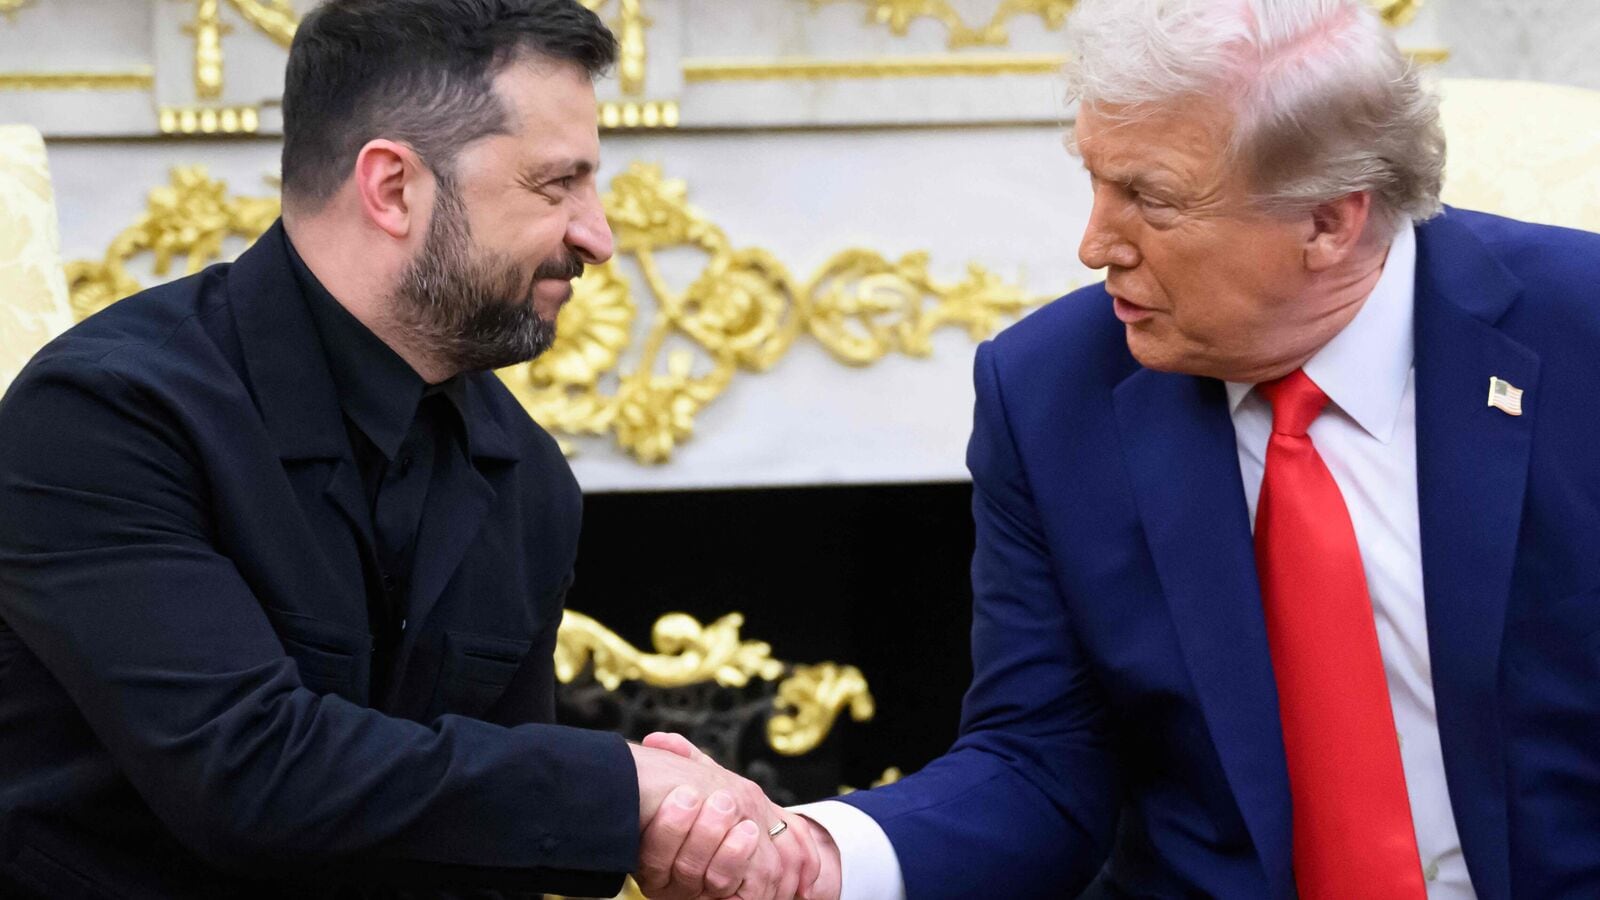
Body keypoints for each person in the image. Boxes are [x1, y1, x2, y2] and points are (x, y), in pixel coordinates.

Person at [649, 0, 1600, 897]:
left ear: (1327, 220)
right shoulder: (1051, 392)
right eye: (1097, 183)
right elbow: (1039, 761)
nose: (1095, 242)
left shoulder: (1578, 337)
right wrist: (818, 857)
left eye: (1150, 198)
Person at [0, 2, 826, 897]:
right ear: (393, 188)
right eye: (557, 186)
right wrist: (628, 791)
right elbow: (249, 772)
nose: (598, 237)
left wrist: (662, 816)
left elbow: (486, 853)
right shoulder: (105, 414)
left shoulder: (526, 474)